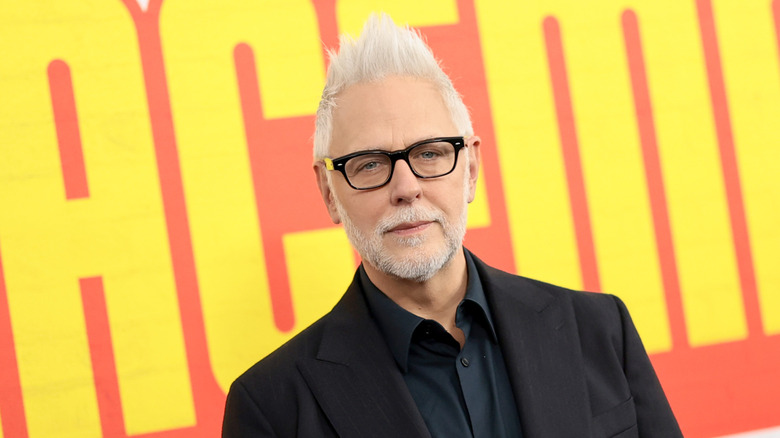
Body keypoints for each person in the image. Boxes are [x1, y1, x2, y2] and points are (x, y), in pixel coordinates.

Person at [222, 13, 682, 438]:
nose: (406, 188)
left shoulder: (599, 330)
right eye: (369, 164)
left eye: (429, 153)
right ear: (329, 192)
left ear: (471, 169)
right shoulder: (271, 409)